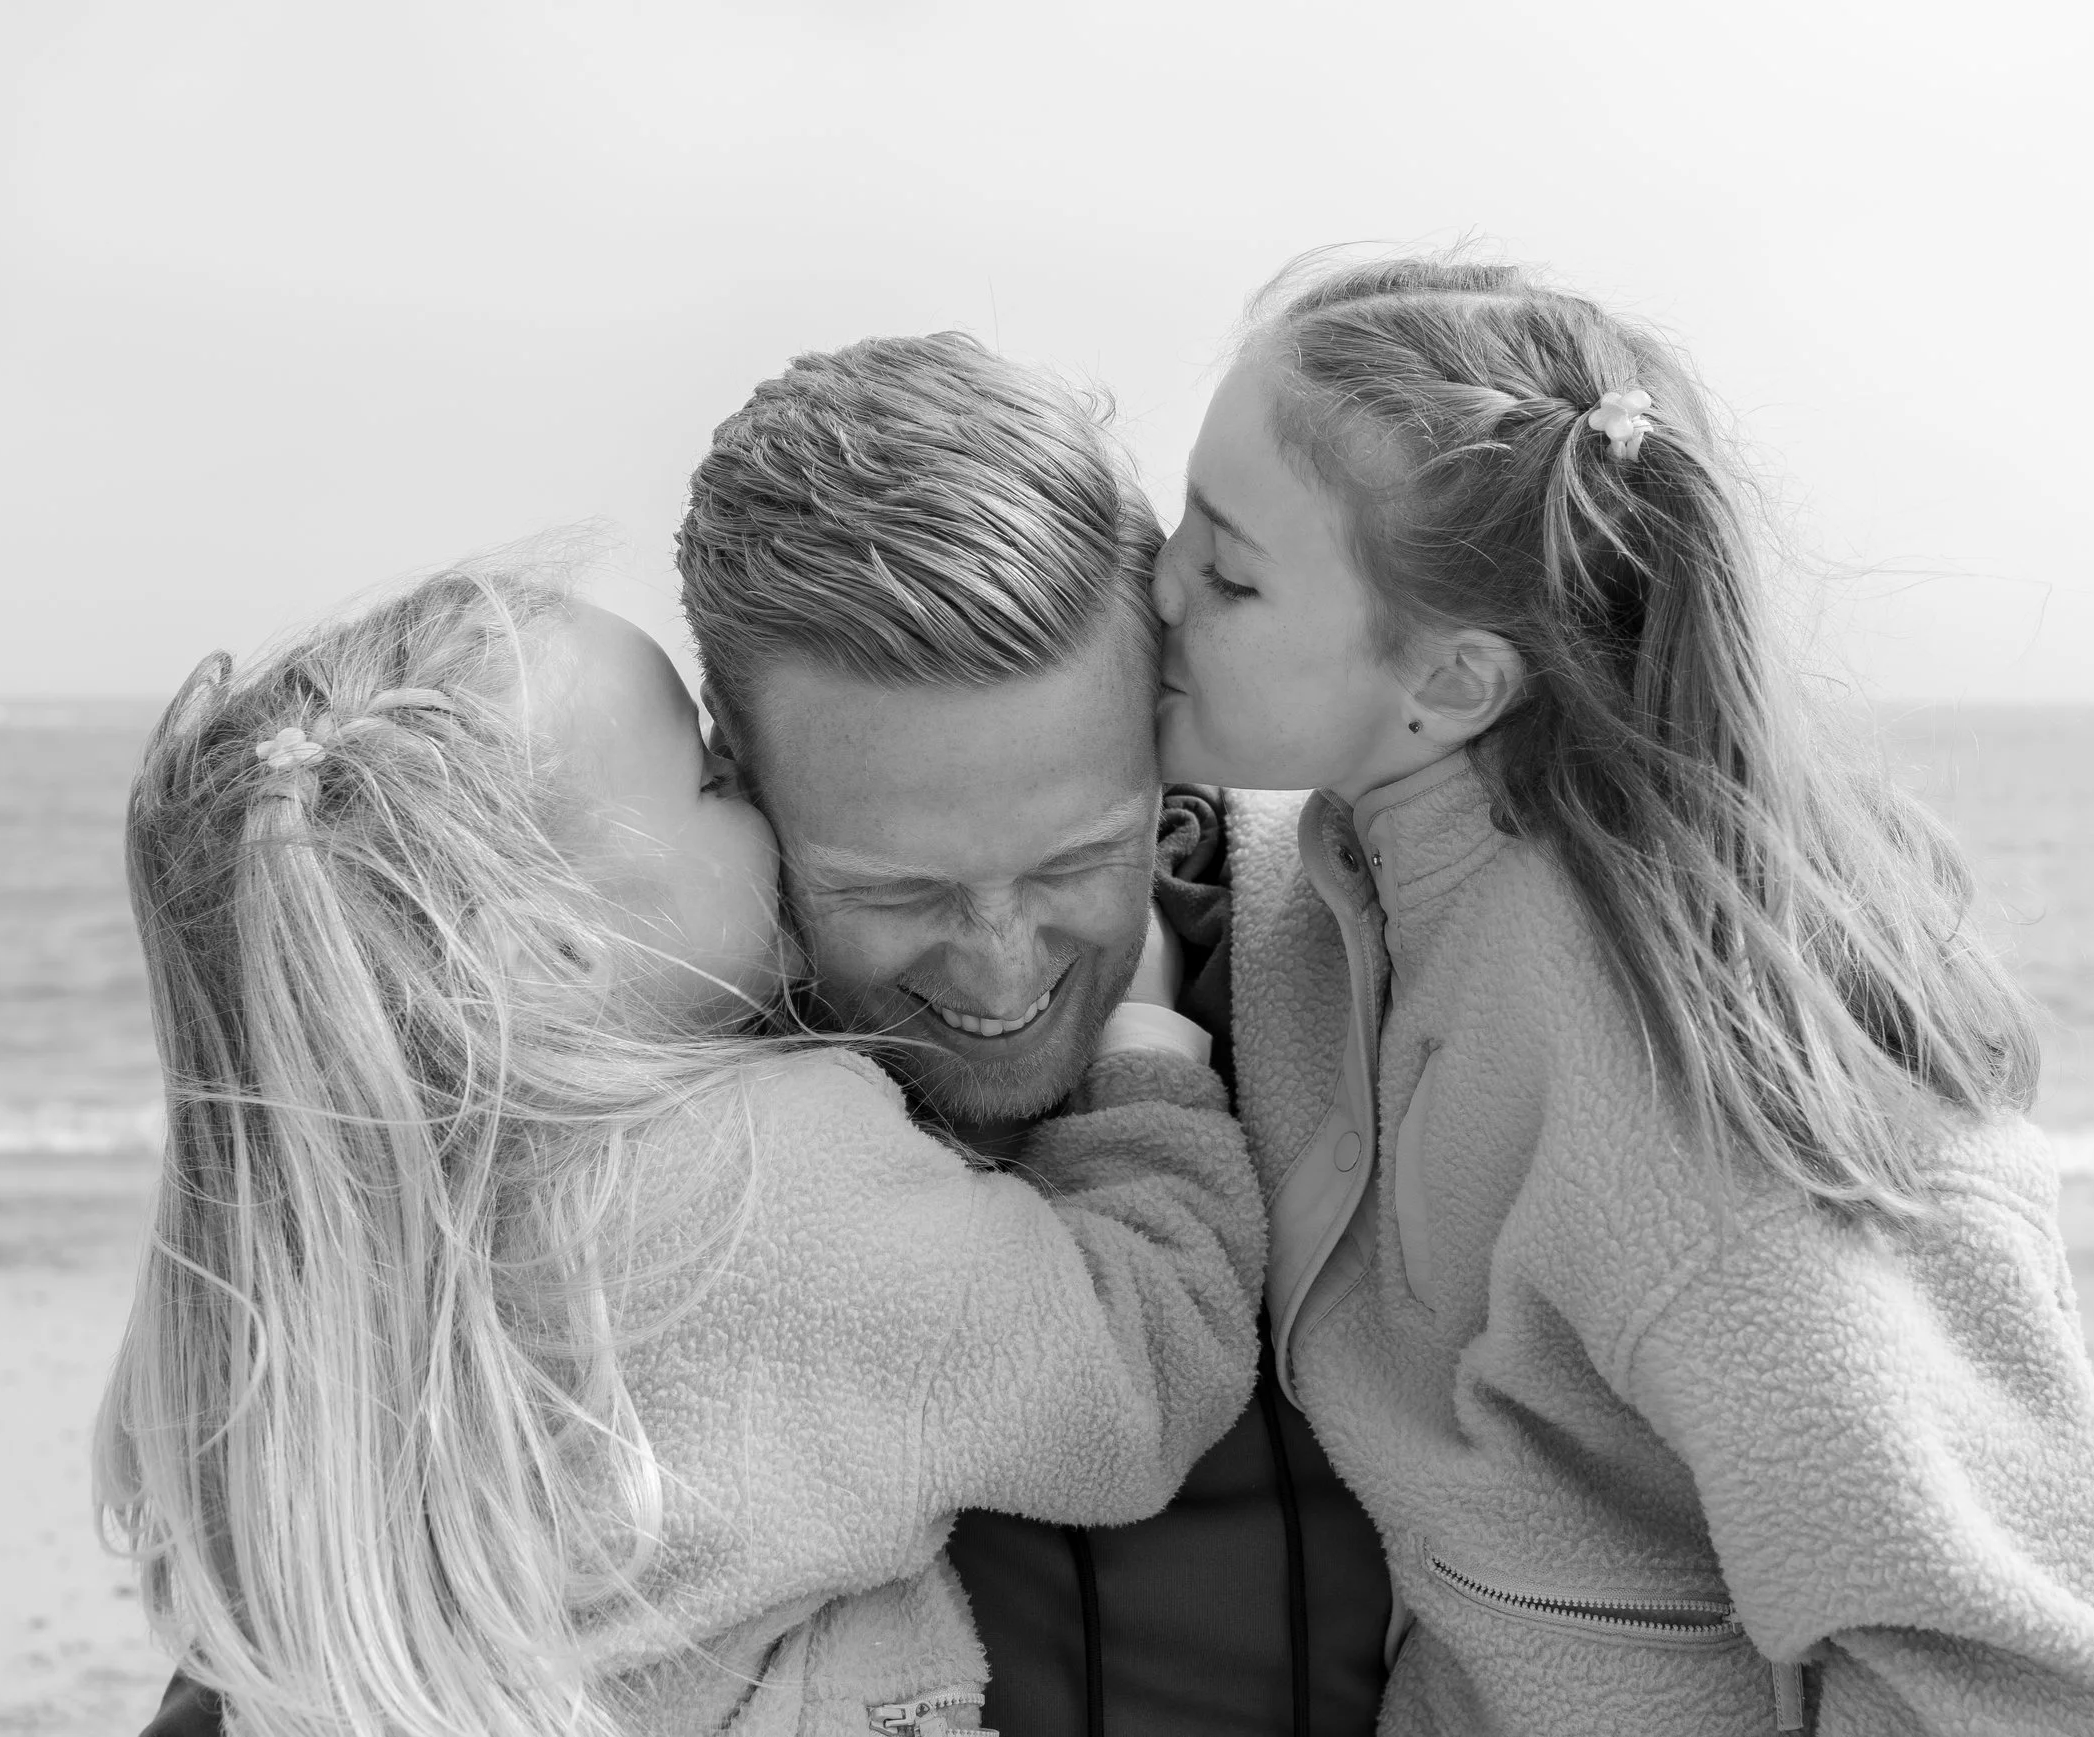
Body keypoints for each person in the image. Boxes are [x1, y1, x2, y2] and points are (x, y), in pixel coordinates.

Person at [134, 332, 1394, 1737]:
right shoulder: (686, 1137)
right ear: (743, 766)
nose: (999, 964)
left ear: (1165, 742)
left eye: (1071, 862)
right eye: (890, 887)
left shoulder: (1362, 997)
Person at [1154, 251, 2094, 1733]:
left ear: (1452, 686)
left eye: (1229, 567)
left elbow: (2025, 1686)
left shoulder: (1673, 1096)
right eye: (1178, 511)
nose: (1157, 582)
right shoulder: (1368, 854)